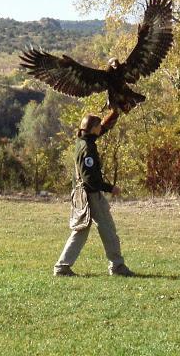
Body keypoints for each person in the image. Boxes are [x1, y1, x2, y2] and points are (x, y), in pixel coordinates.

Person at [53, 109, 134, 277]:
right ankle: (117, 266)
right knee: (108, 230)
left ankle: (62, 267)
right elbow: (90, 179)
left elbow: (102, 128)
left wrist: (115, 113)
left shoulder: (82, 140)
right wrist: (110, 188)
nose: (100, 129)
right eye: (98, 126)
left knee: (81, 230)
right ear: (93, 128)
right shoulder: (88, 149)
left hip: (83, 195)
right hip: (91, 195)